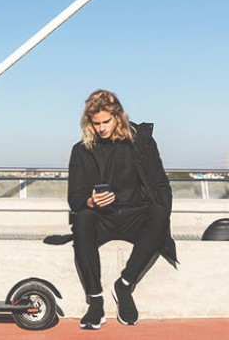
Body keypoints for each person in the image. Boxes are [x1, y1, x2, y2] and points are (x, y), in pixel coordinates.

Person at [68, 89, 177, 330]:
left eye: (106, 121)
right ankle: (95, 301)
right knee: (83, 219)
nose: (101, 128)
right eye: (96, 123)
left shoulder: (141, 143)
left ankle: (124, 285)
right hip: (101, 218)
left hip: (135, 215)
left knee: (159, 214)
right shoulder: (81, 150)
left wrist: (164, 215)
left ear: (118, 117)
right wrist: (91, 201)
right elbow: (74, 198)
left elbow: (161, 183)